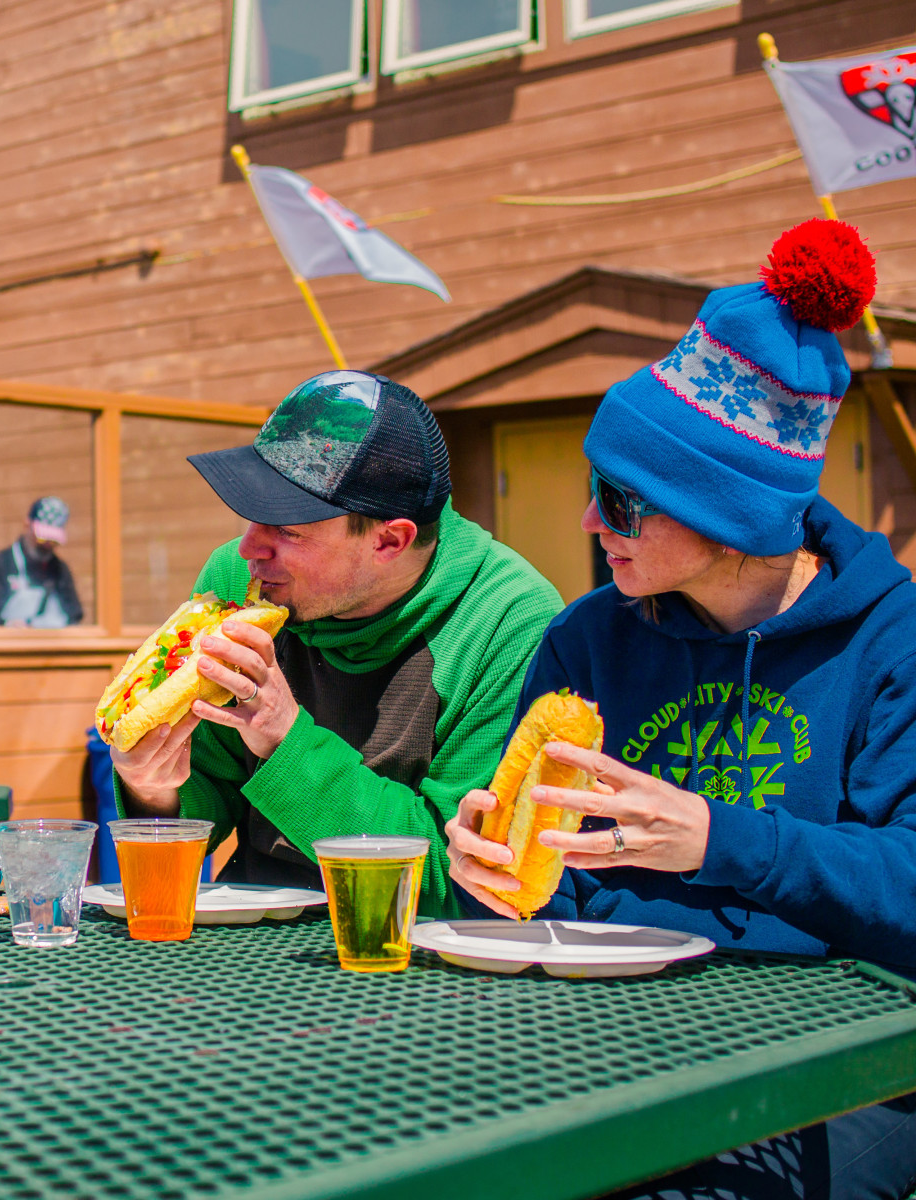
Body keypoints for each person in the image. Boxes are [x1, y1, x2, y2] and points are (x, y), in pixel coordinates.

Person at [443, 220, 916, 1199]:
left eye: (621, 501)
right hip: (610, 1034)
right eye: (592, 488)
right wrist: (493, 879)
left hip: (844, 1059)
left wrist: (714, 837)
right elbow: (547, 897)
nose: (585, 522)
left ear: (731, 513)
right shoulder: (586, 640)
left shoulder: (892, 637)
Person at [113, 370, 562, 911]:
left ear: (390, 540)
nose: (248, 548)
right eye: (252, 516)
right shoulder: (238, 585)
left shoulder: (509, 621)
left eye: (288, 529)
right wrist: (153, 791)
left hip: (414, 956)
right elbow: (201, 816)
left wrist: (287, 740)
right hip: (248, 937)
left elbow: (462, 881)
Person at [0, 496, 83, 627]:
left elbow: (74, 616)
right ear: (27, 525)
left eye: (53, 541)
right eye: (42, 538)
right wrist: (6, 625)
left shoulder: (60, 570)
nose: (47, 545)